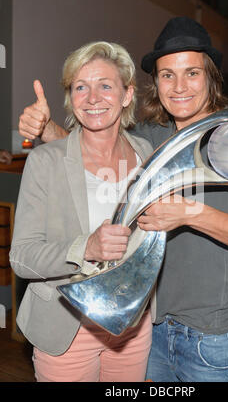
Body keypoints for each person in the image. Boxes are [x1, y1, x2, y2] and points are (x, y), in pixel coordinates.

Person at [18, 17, 228, 382]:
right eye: (167, 75)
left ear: (211, 77)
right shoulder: (149, 139)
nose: (179, 86)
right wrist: (45, 129)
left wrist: (189, 213)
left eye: (192, 73)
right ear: (154, 83)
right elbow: (92, 146)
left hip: (209, 333)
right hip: (145, 324)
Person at [10, 41, 154, 382]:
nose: (92, 98)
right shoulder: (46, 161)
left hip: (131, 329)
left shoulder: (145, 153)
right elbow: (22, 257)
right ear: (71, 97)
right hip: (68, 328)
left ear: (127, 94)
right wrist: (85, 247)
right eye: (80, 87)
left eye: (105, 85)